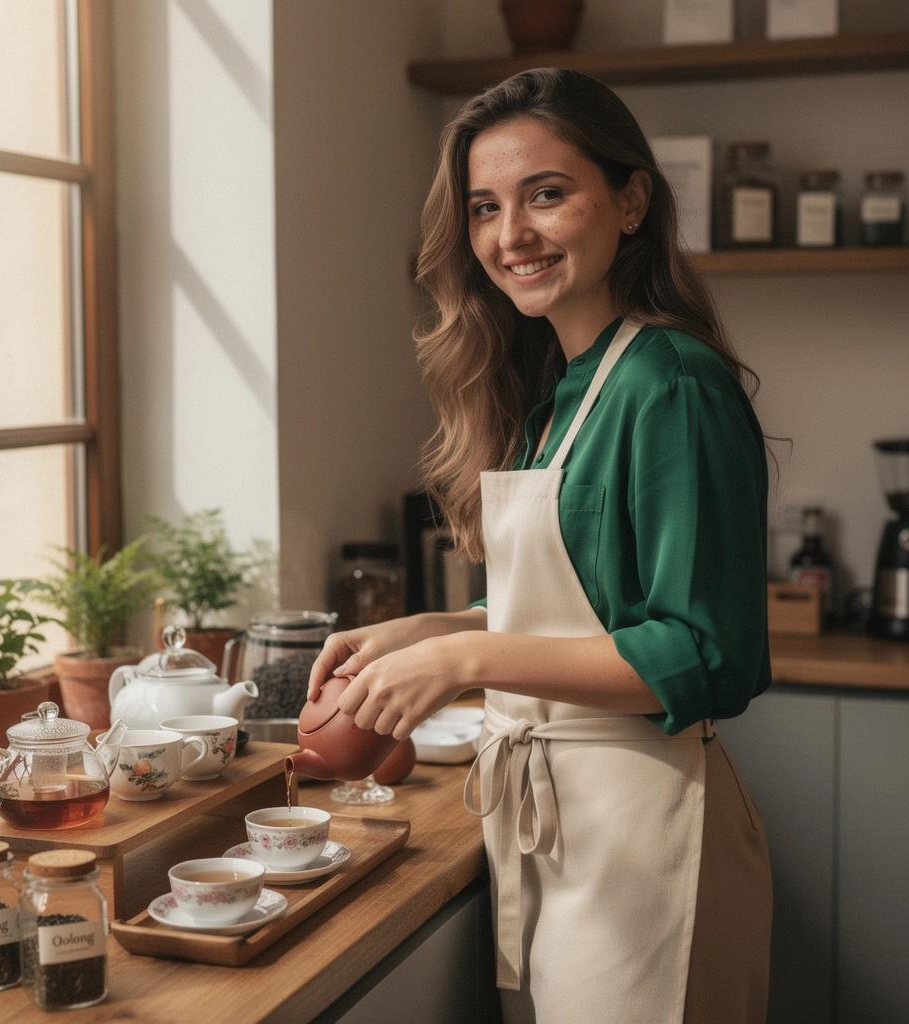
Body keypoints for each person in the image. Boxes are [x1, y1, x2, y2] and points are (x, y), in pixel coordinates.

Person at [308, 68, 772, 1024]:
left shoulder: (670, 382)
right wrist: (425, 630)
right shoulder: (557, 390)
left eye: (546, 195)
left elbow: (703, 653)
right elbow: (582, 611)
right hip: (560, 832)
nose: (510, 236)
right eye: (485, 208)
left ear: (631, 199)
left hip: (649, 837)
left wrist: (469, 657)